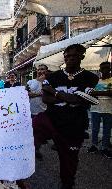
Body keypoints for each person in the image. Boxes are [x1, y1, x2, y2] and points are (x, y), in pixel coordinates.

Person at [34, 44, 99, 189]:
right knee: (34, 125)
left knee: (69, 163)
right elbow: (45, 99)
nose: (69, 58)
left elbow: (77, 100)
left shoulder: (91, 78)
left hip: (74, 126)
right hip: (51, 119)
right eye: (67, 56)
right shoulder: (54, 76)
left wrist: (54, 92)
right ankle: (28, 153)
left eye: (73, 55)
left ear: (82, 56)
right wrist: (65, 97)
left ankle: (67, 184)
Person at [88, 61, 112, 158]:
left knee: (107, 129)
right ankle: (94, 145)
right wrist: (106, 92)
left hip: (108, 109)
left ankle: (104, 148)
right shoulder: (96, 80)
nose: (105, 70)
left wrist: (97, 93)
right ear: (100, 69)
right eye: (103, 68)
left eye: (107, 67)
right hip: (95, 108)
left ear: (110, 69)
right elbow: (90, 93)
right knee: (94, 128)